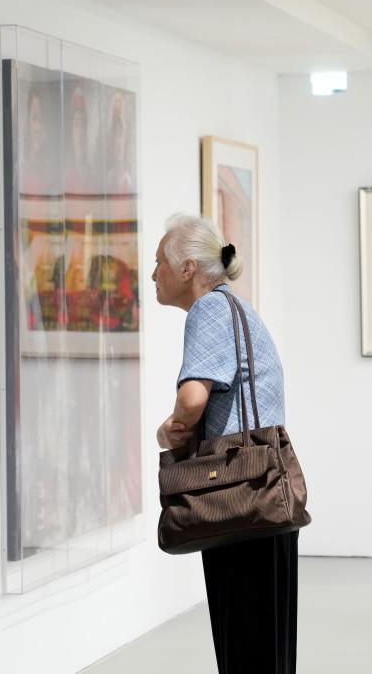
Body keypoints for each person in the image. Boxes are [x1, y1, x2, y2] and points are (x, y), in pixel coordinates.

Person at [152, 213, 296, 673]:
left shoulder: (209, 309)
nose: (153, 274)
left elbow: (193, 399)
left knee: (244, 636)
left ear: (187, 268)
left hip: (236, 494)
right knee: (268, 638)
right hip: (264, 490)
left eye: (159, 262)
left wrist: (169, 429)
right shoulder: (236, 307)